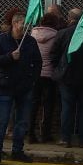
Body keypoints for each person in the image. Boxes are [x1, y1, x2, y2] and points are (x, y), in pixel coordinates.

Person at [0, 8, 42, 165]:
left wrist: (32, 79)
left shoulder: (30, 41)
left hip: (25, 87)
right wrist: (9, 57)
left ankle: (18, 150)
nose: (26, 27)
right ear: (14, 23)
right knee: (2, 121)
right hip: (6, 86)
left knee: (22, 121)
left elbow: (38, 62)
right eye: (23, 24)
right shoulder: (0, 40)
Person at [50, 8, 83, 148]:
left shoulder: (62, 33)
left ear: (70, 18)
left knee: (67, 108)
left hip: (66, 77)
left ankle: (65, 138)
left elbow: (54, 55)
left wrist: (59, 68)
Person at [28, 12, 61, 145]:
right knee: (48, 105)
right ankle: (45, 133)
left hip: (35, 74)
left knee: (33, 104)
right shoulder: (56, 36)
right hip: (49, 75)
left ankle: (30, 133)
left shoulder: (32, 34)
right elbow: (56, 54)